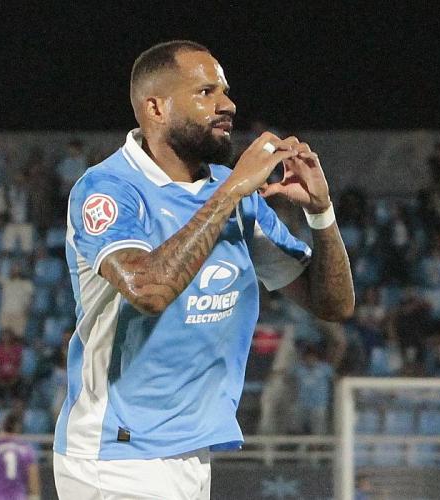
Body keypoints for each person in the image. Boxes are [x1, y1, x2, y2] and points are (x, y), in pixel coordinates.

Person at [53, 40, 354, 499]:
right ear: (156, 108)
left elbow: (333, 305)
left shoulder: (233, 194)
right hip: (117, 454)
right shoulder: (108, 189)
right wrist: (230, 192)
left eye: (225, 91)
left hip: (193, 451)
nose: (227, 104)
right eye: (205, 92)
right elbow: (149, 290)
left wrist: (321, 212)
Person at [0, 413, 40, 500]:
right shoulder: (26, 449)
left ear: (2, 427)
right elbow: (33, 477)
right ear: (17, 429)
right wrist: (35, 497)